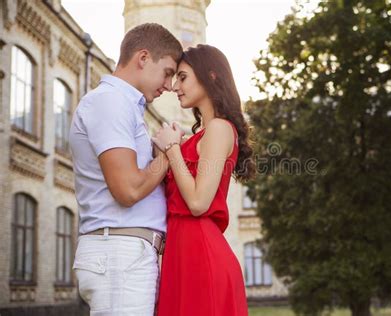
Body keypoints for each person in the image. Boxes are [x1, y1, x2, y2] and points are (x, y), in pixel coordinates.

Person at [69, 23, 182, 315]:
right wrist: (169, 154)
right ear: (143, 58)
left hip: (126, 253)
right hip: (118, 253)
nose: (169, 85)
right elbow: (128, 189)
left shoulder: (126, 105)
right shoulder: (111, 101)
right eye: (168, 72)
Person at [152, 44, 255, 316]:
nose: (175, 86)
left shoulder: (220, 129)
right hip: (181, 254)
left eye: (183, 77)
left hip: (200, 257)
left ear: (210, 76)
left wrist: (172, 149)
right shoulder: (199, 136)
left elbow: (198, 202)